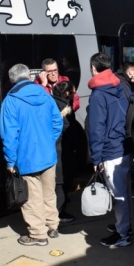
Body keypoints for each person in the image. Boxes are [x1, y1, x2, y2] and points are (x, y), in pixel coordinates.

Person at [0, 64, 63, 246]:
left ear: (11, 80)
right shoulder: (44, 94)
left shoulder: (10, 101)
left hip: (26, 159)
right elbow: (57, 121)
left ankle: (37, 234)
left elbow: (9, 135)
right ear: (28, 77)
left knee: (31, 198)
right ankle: (52, 226)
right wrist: (48, 141)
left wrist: (10, 161)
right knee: (48, 193)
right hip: (48, 155)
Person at [87, 52, 133, 247]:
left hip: (111, 149)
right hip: (125, 144)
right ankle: (125, 225)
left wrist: (95, 158)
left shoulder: (98, 94)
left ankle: (123, 234)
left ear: (93, 69)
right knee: (125, 190)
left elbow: (96, 129)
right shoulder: (121, 85)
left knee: (118, 193)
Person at [51, 81, 78, 223]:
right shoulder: (65, 107)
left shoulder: (50, 103)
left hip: (51, 150)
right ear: (67, 93)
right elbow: (69, 131)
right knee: (60, 183)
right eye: (73, 92)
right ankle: (60, 213)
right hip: (61, 150)